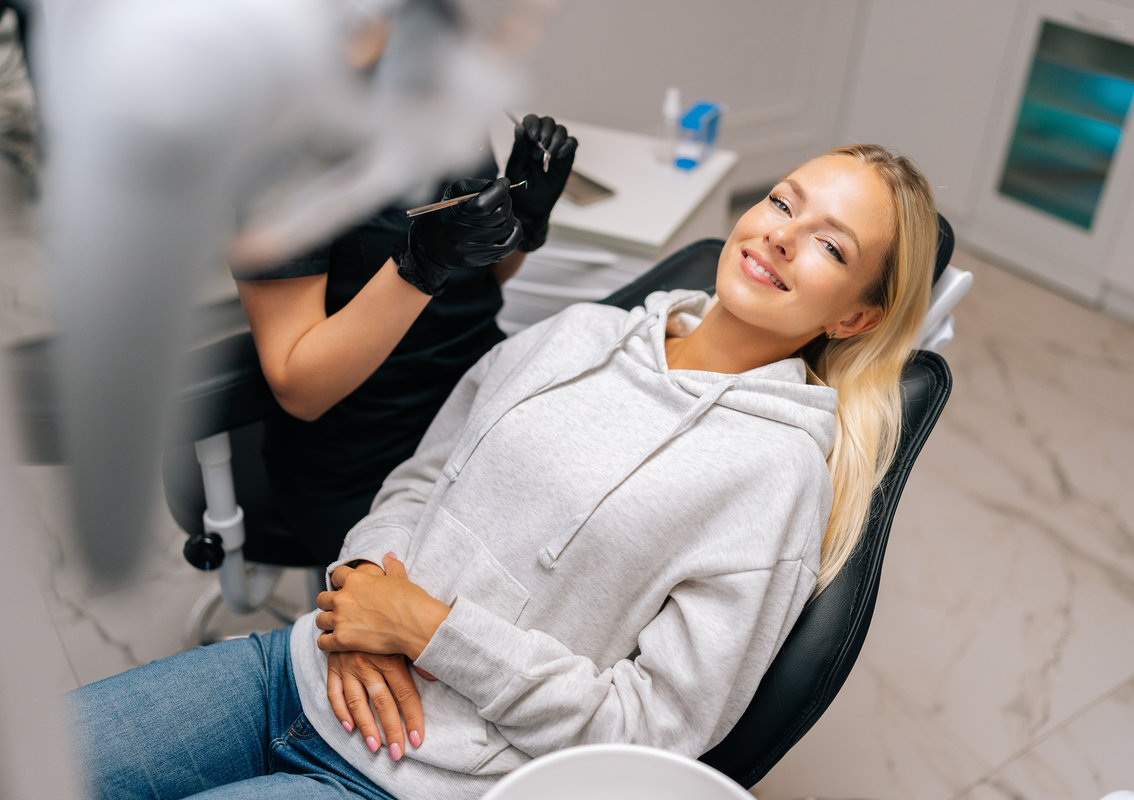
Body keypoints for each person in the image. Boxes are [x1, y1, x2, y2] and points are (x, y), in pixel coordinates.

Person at [66, 144, 940, 800]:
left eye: (830, 246)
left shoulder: (775, 475)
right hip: (296, 666)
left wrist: (429, 630)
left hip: (412, 779)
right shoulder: (578, 335)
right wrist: (363, 582)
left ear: (857, 316)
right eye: (784, 201)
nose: (782, 236)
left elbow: (651, 733)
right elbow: (418, 479)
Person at [230, 114, 577, 563]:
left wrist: (524, 221)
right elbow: (300, 390)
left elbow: (480, 280)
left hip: (478, 407)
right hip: (367, 458)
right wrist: (421, 263)